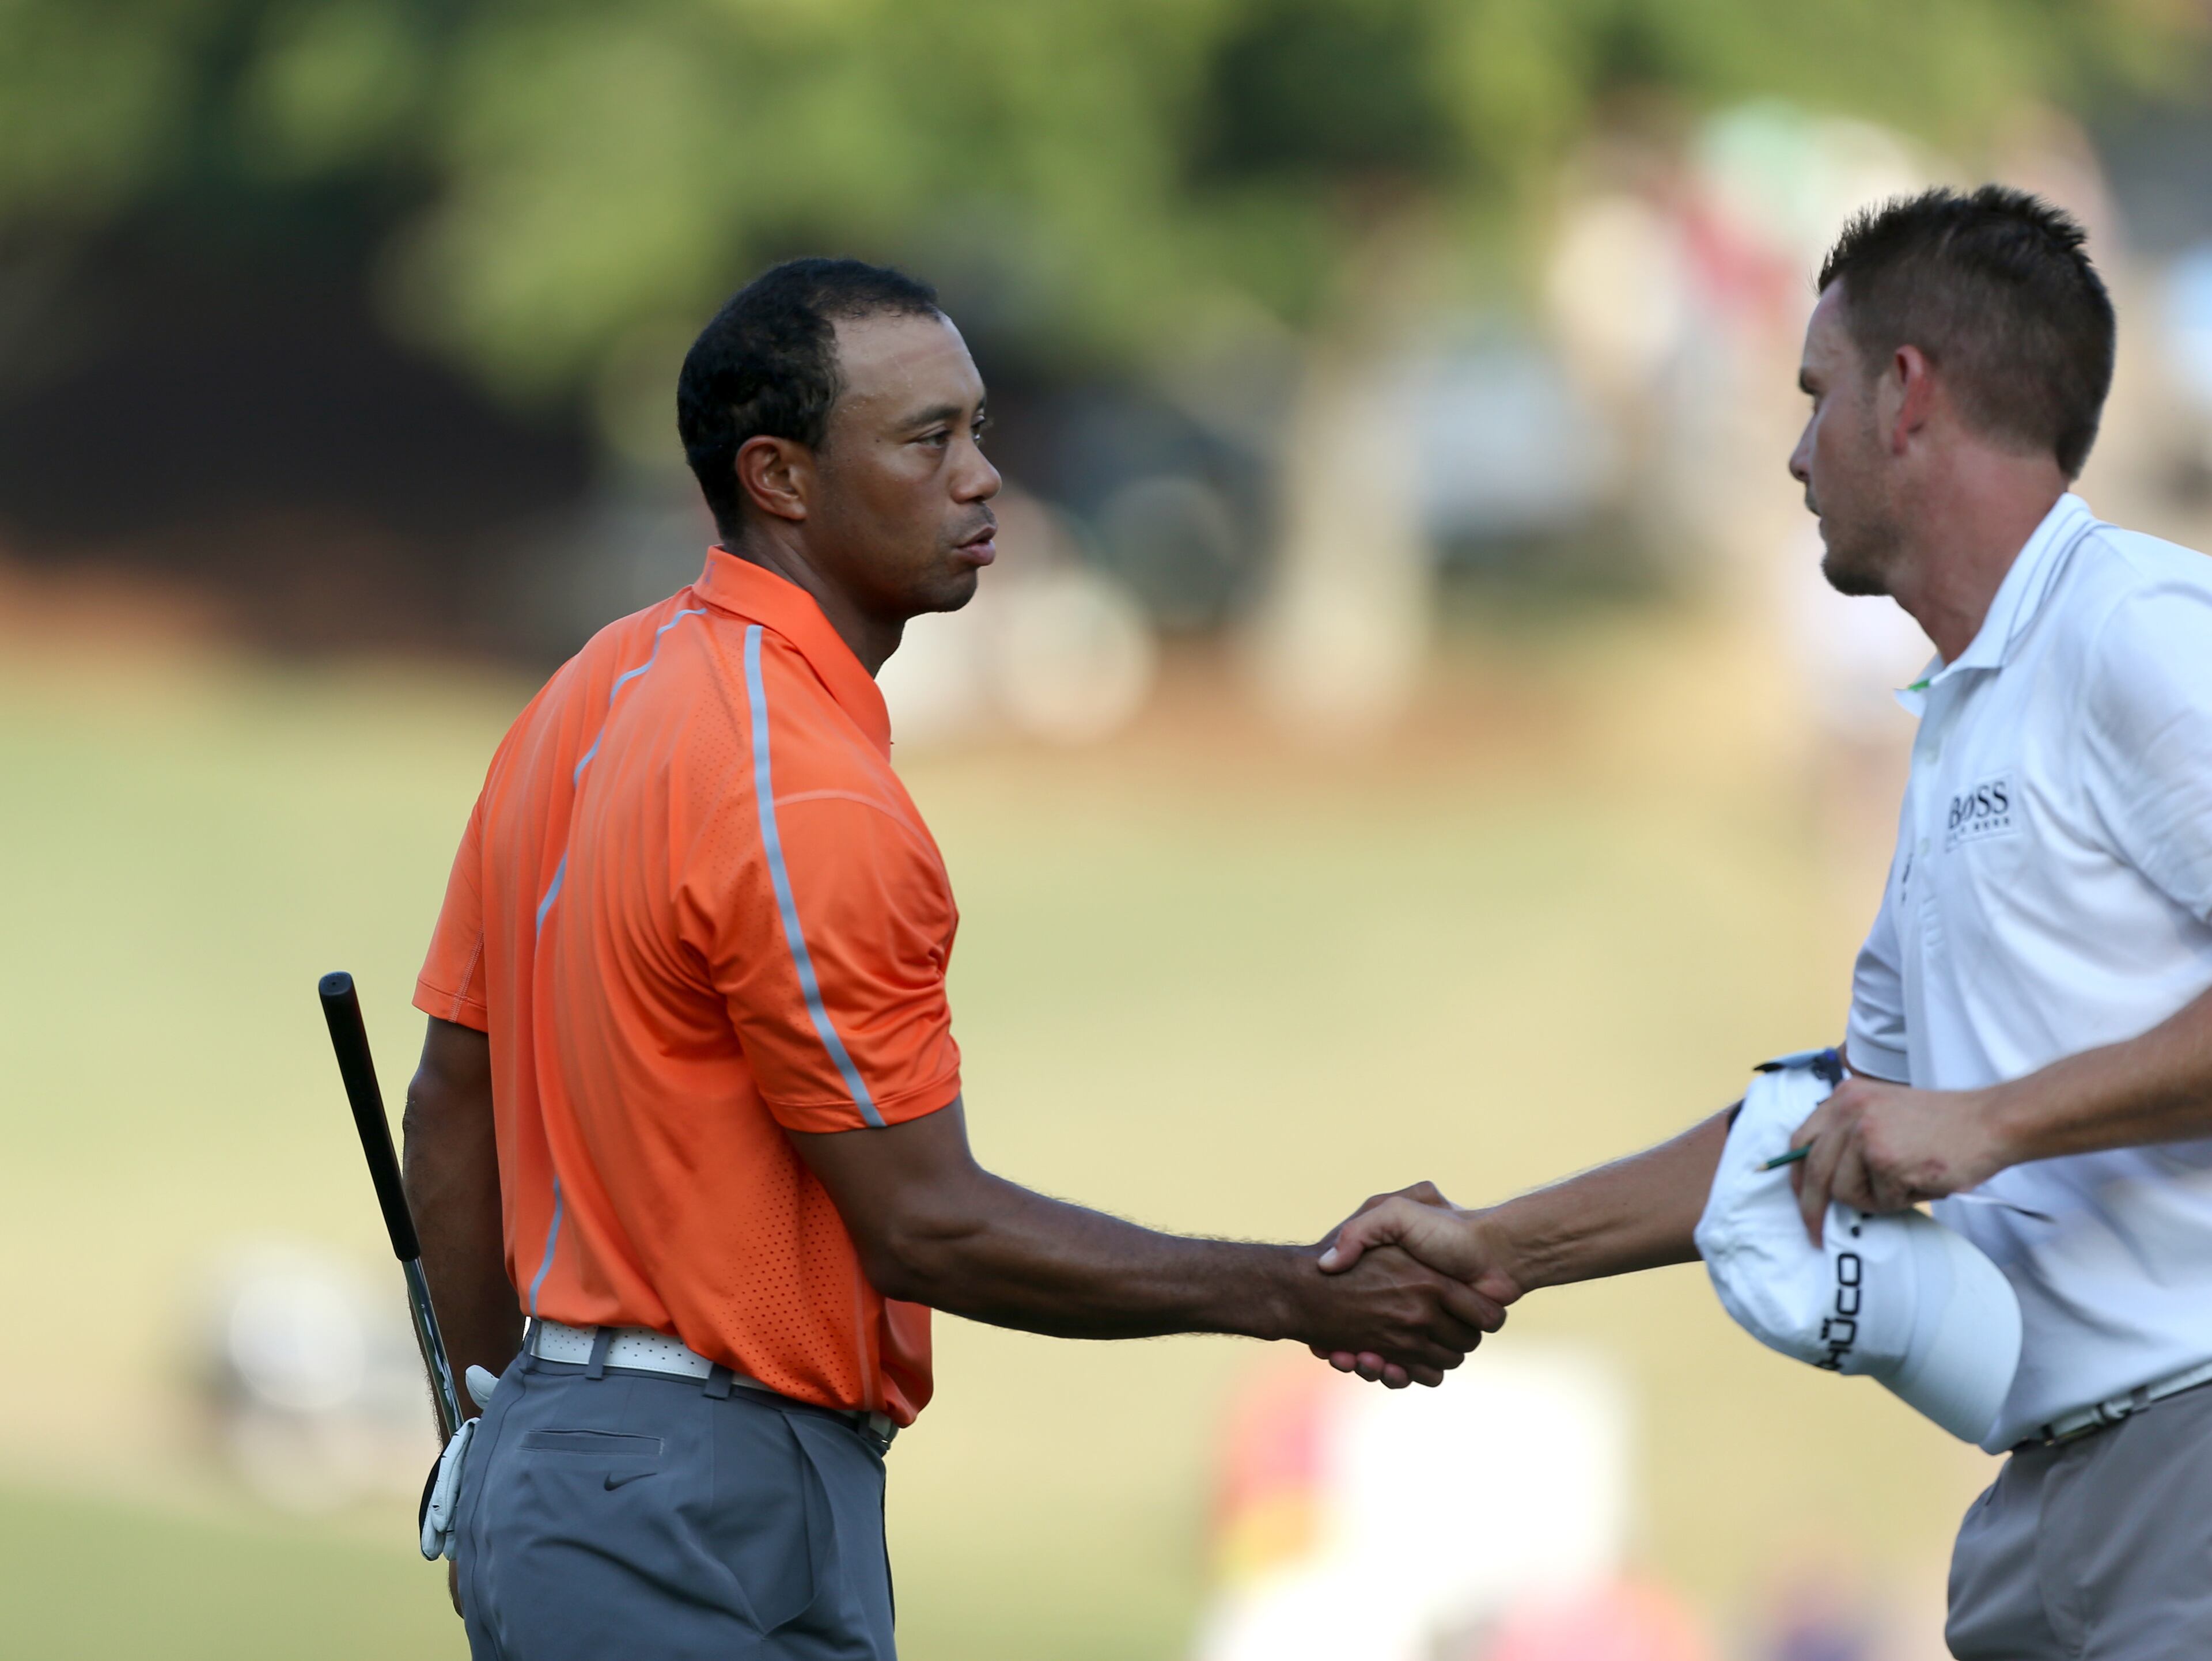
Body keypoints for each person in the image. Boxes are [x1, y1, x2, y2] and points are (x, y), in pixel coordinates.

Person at [400, 256, 1499, 1660]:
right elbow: (929, 1222)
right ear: (779, 478)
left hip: (638, 1473)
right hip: (687, 1495)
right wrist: (1291, 1287)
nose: (984, 478)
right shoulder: (805, 794)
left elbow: (449, 1104)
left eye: (978, 429)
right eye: (929, 440)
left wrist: (494, 1428)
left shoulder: (591, 688)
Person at [1324, 187, 2212, 1659]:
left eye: (1814, 398)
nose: (1795, 455)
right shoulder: (1964, 711)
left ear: (1906, 396)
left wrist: (1990, 1118)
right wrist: (1498, 1248)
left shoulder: (2135, 627)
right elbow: (1824, 1120)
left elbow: (1951, 1122)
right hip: (2046, 1503)